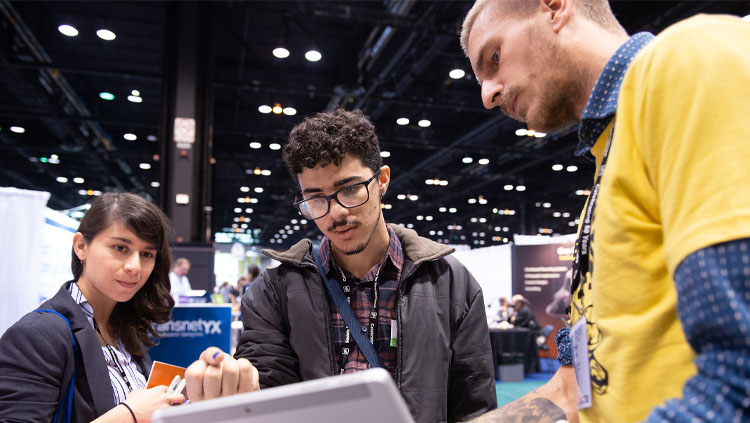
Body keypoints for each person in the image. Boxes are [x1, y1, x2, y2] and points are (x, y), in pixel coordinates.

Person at [461, 1, 750, 422]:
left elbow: (738, 377)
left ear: (555, 8)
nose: (488, 95)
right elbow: (573, 386)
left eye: (494, 57)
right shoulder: (608, 162)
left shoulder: (688, 62)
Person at [185, 109, 497, 422]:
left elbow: (474, 407)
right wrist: (238, 386)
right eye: (316, 198)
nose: (335, 213)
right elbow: (267, 386)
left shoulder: (450, 282)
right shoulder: (275, 291)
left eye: (349, 189)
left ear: (382, 181)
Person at [0, 192, 185, 421]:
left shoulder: (126, 331)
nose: (135, 266)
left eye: (147, 254)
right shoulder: (37, 334)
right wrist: (129, 415)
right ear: (81, 247)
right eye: (120, 248)